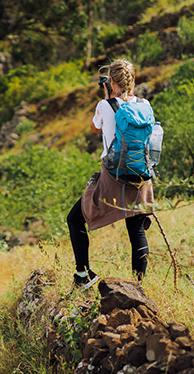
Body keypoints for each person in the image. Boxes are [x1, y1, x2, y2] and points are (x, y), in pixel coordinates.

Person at [66, 59, 154, 288]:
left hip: (113, 177)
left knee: (74, 219)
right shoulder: (145, 104)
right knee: (135, 228)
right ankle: (139, 286)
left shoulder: (105, 105)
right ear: (133, 80)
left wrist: (107, 99)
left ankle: (83, 275)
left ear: (111, 81)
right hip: (140, 175)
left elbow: (94, 128)